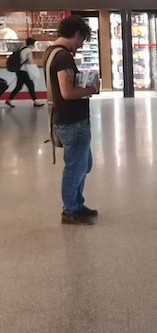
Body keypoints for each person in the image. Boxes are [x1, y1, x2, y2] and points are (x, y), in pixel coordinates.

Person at [43, 15, 100, 225]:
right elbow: (67, 92)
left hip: (66, 119)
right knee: (76, 166)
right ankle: (70, 210)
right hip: (72, 121)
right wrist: (91, 89)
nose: (80, 44)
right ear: (76, 35)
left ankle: (77, 204)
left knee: (82, 164)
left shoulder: (51, 52)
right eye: (81, 40)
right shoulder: (63, 57)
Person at [5, 38, 45, 108]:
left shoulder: (22, 48)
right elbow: (30, 61)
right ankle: (35, 101)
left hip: (19, 71)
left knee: (19, 87)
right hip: (24, 71)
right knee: (30, 86)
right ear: (32, 44)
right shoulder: (28, 50)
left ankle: (9, 100)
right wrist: (34, 63)